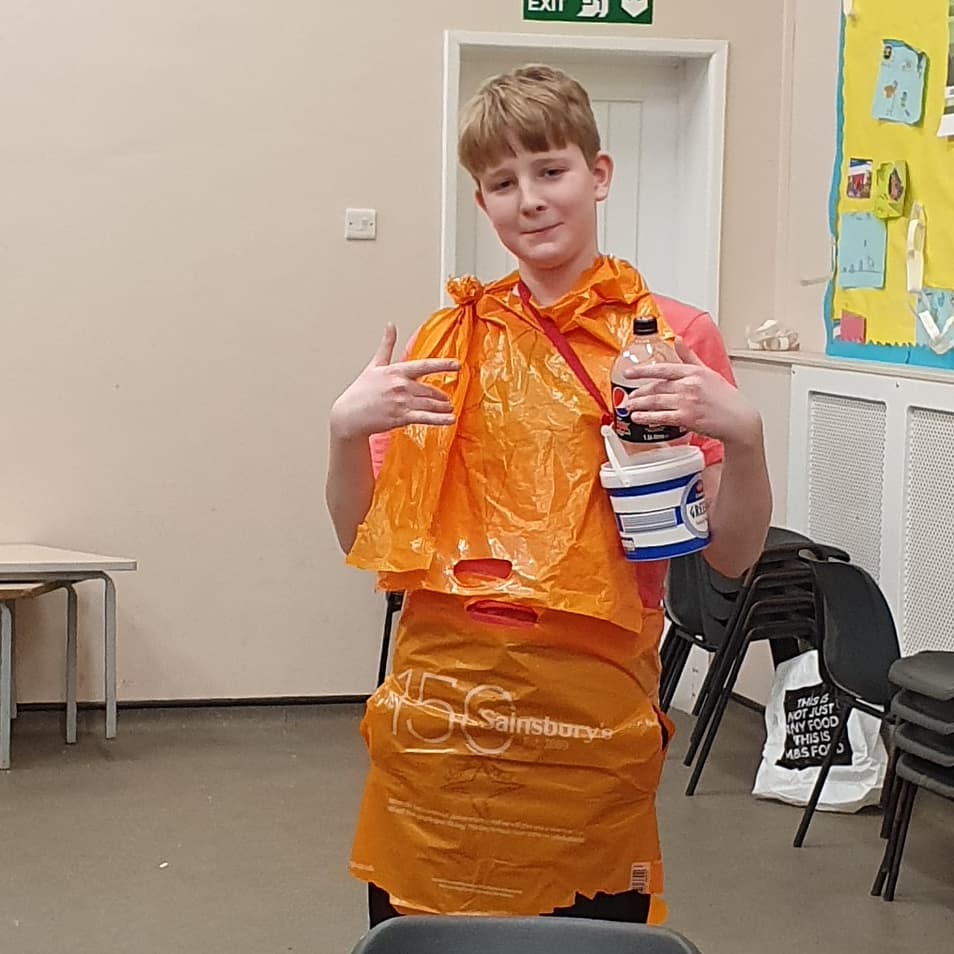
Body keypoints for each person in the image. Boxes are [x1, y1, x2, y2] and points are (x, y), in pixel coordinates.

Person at [326, 64, 772, 926]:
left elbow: (733, 552)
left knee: (583, 933)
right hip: (444, 711)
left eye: (551, 171)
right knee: (427, 934)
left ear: (598, 175)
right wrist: (344, 433)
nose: (528, 199)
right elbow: (364, 539)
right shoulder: (449, 340)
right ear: (481, 200)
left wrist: (745, 437)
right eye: (502, 182)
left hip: (589, 717)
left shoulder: (671, 339)